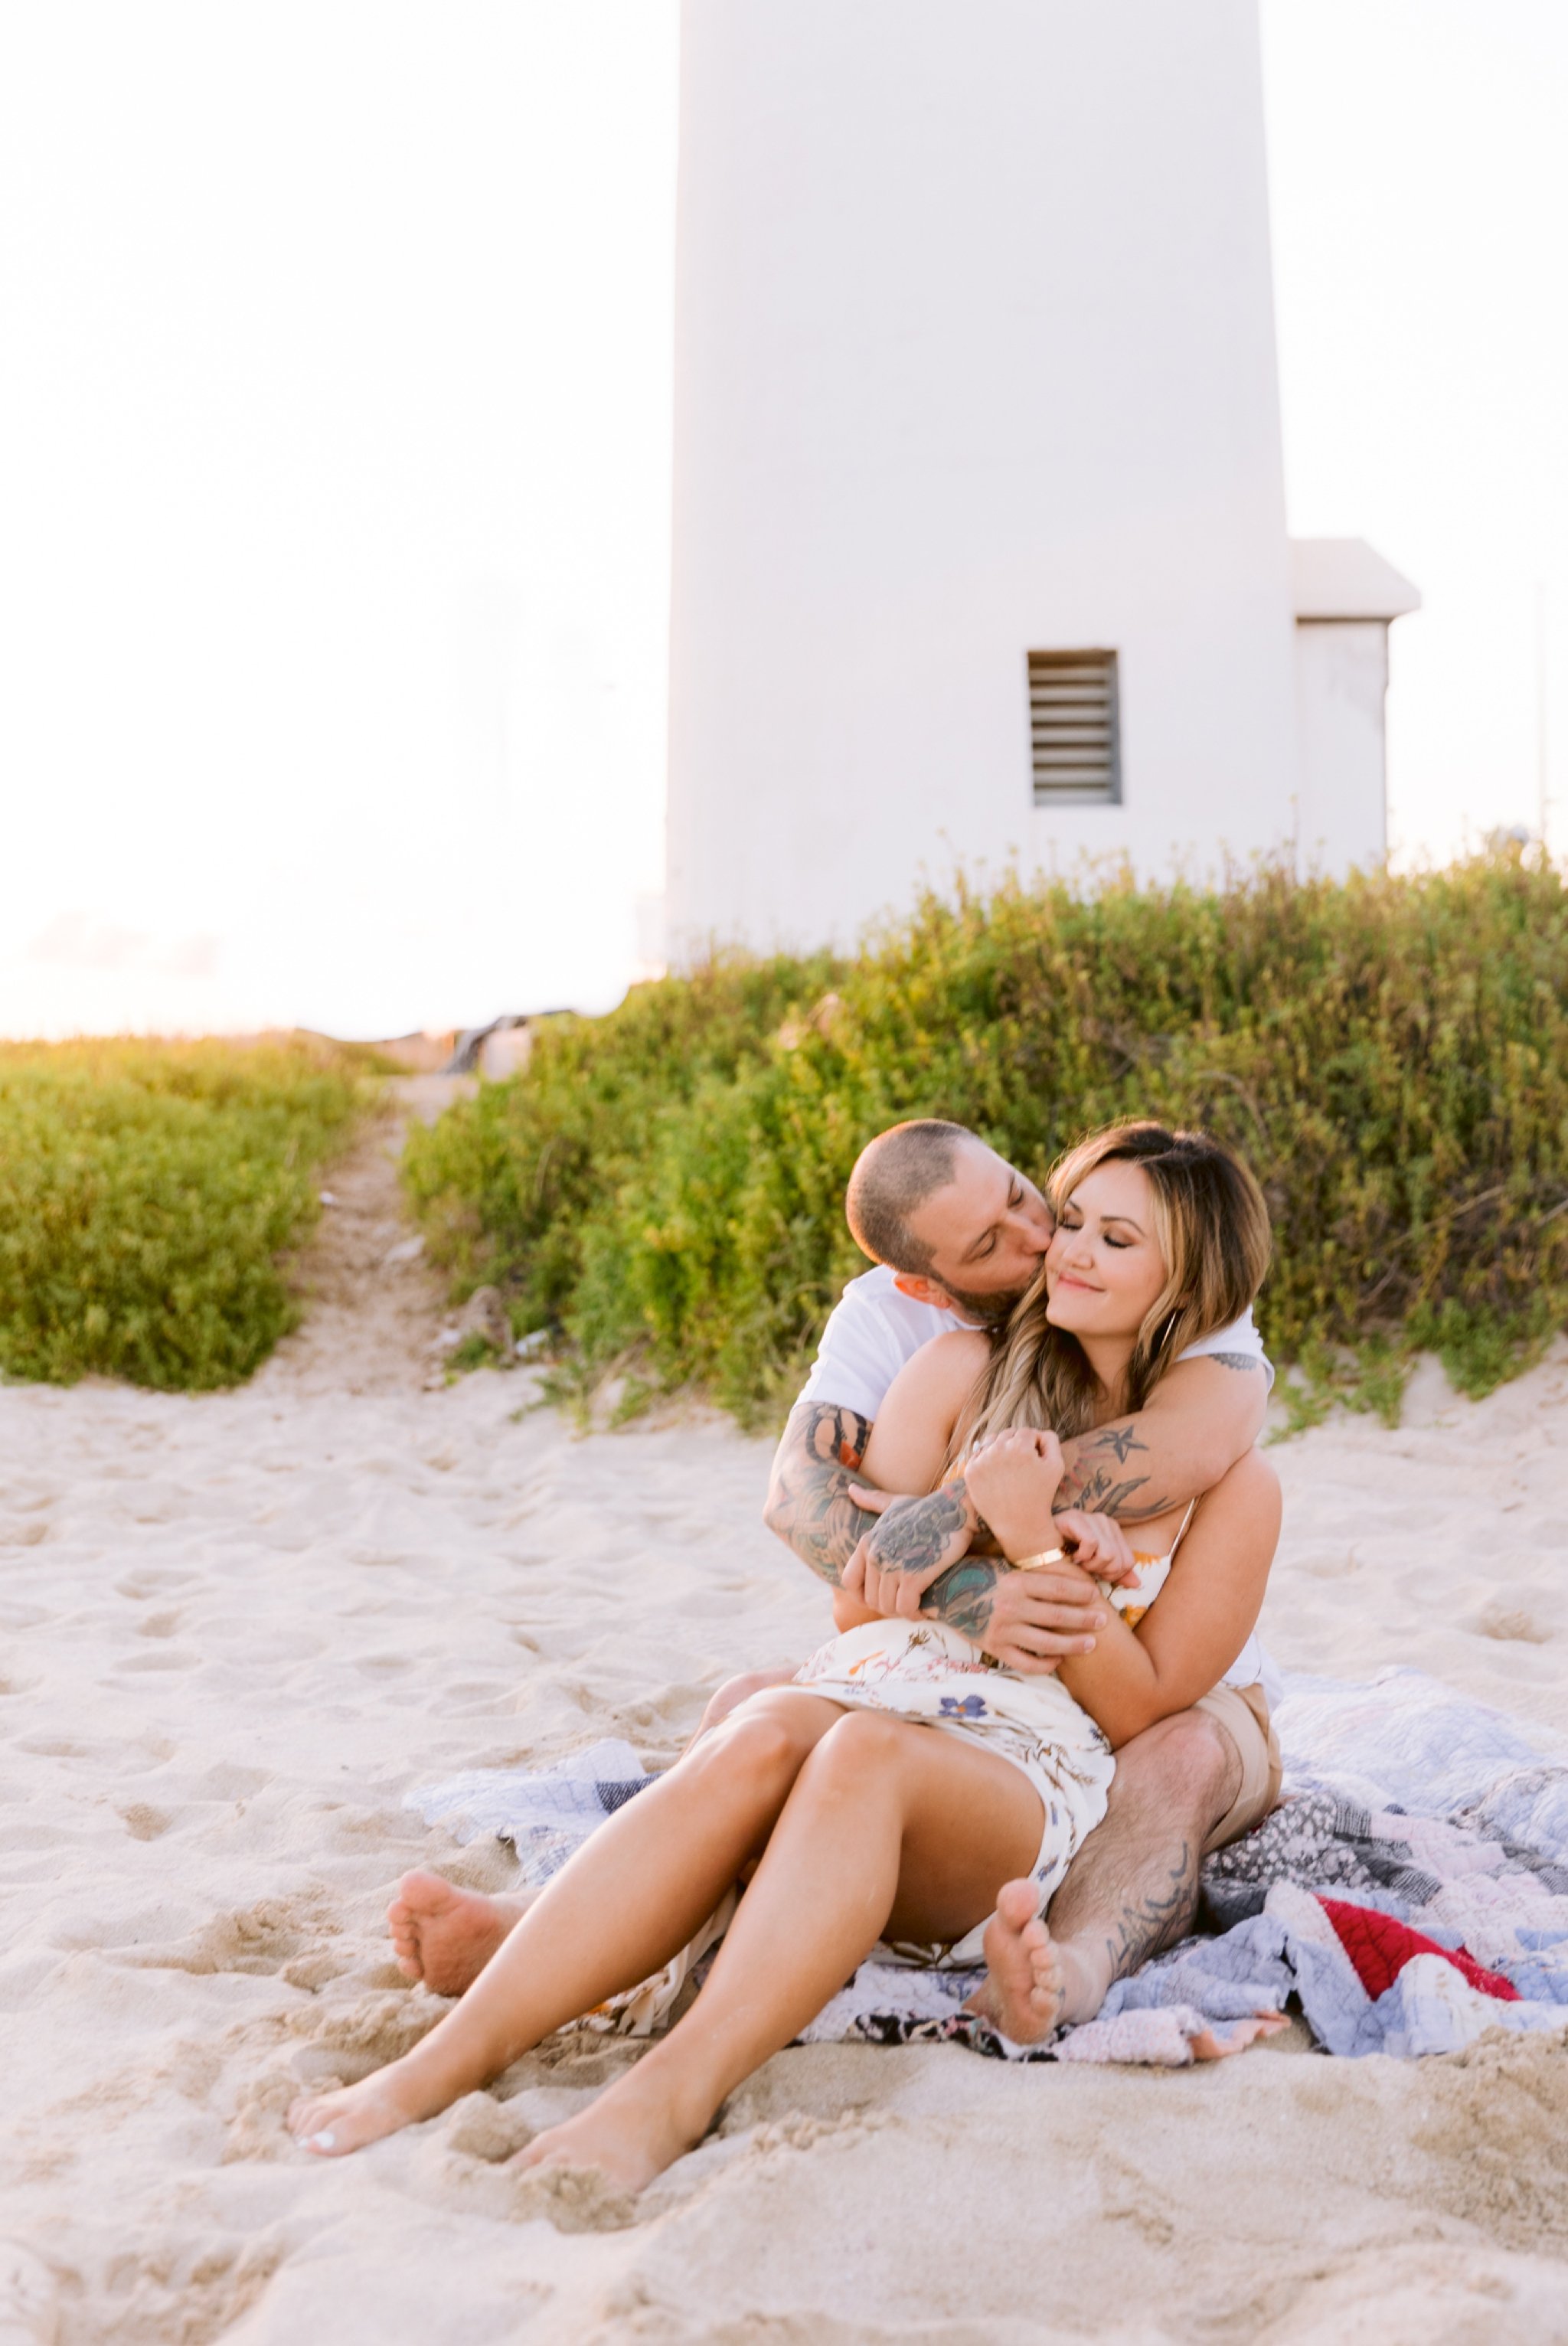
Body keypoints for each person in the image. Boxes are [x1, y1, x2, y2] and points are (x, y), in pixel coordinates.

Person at [287, 1121, 1282, 2186]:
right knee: (762, 1727)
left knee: (859, 1755)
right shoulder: (953, 1367)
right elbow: (865, 1606)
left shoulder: (1233, 1480)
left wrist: (1036, 1535)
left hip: (1028, 1763)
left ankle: (667, 2097)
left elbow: (1141, 1716)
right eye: (1073, 1217)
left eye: (1112, 1240)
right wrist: (974, 1532)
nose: (1064, 1248)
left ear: (1187, 1286)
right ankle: (445, 2061)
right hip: (890, 1681)